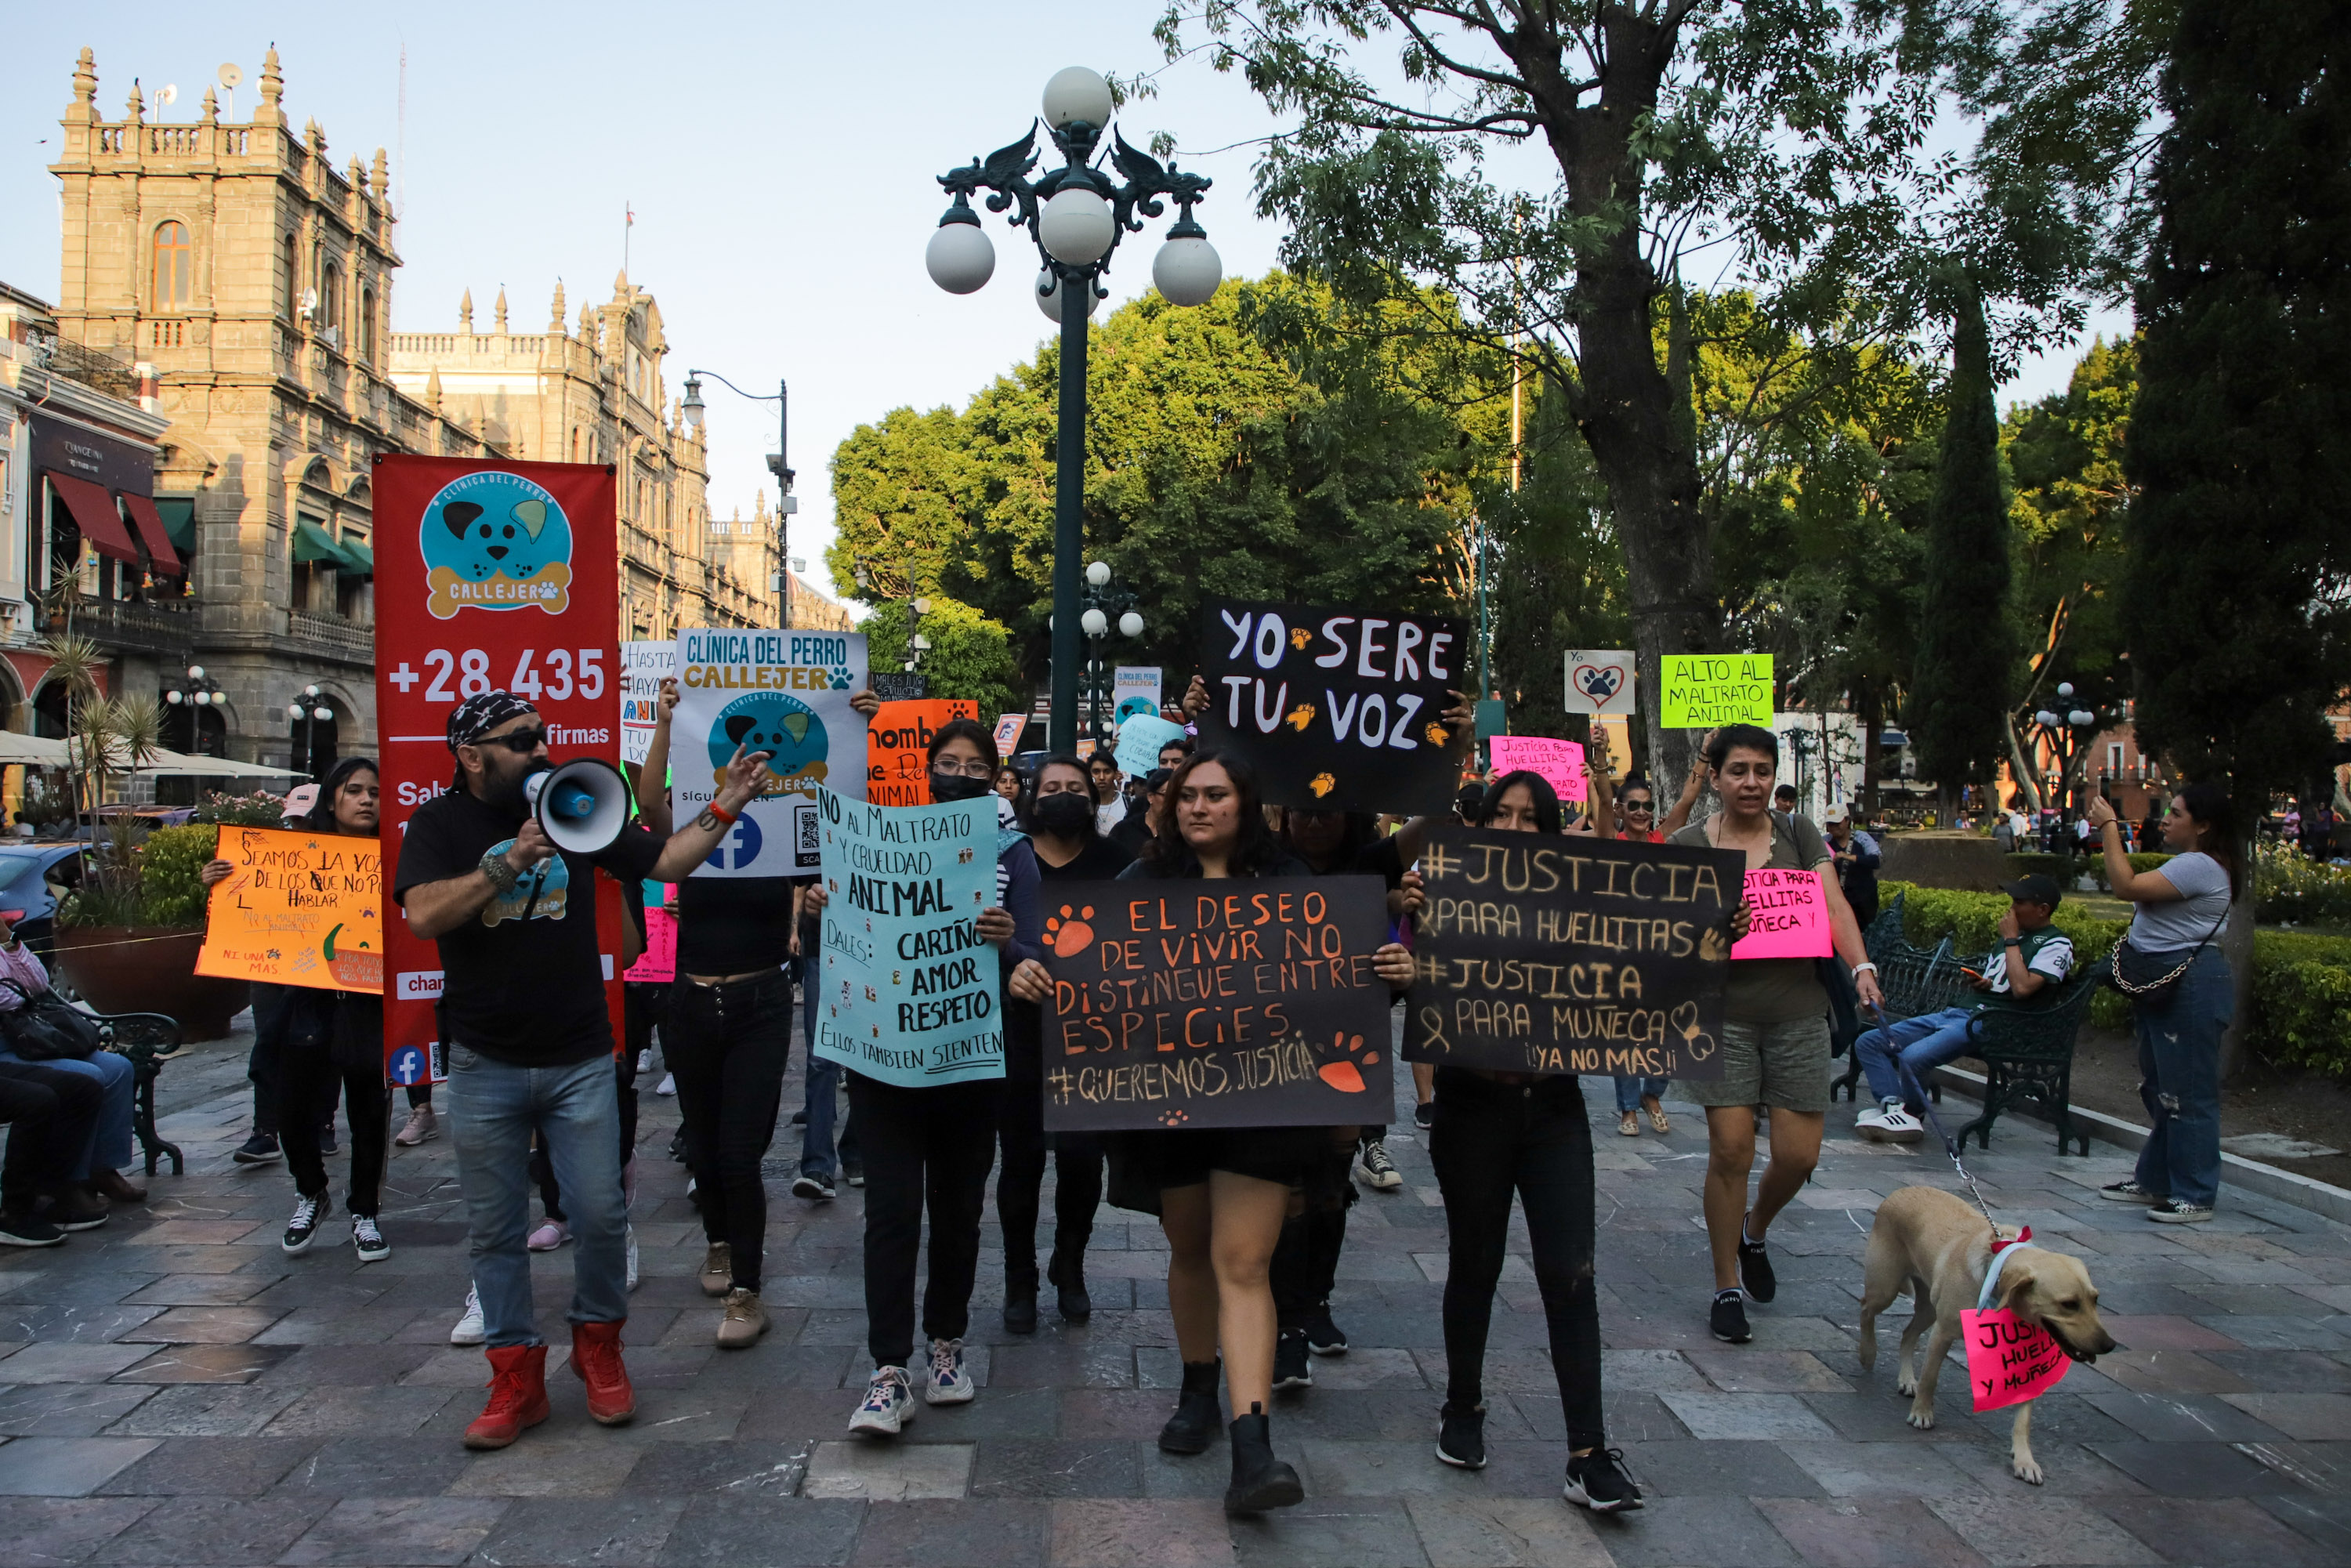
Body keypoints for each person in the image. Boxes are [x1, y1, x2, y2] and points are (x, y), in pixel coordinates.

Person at [1012, 751, 1415, 1515]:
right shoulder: (1138, 887)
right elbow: (1091, 982)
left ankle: (1253, 1441)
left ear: (1245, 803)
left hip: (1267, 1105)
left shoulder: (1292, 884)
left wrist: (1386, 971)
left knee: (1244, 1259)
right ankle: (1199, 1386)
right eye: (1188, 795)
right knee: (1192, 1248)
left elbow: (1341, 983)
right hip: (1171, 1106)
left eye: (1216, 795)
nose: (1199, 807)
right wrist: (1040, 979)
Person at [395, 690, 769, 1450]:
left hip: (578, 1059)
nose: (541, 750)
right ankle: (515, 1378)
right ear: (472, 756)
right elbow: (425, 915)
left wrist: (726, 805)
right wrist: (507, 862)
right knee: (496, 1231)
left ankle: (599, 1352)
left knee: (599, 1216)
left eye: (542, 735)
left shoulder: (573, 804)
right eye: (521, 740)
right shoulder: (441, 824)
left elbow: (662, 860)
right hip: (483, 1063)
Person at [804, 718, 1043, 1438]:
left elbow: (1036, 945)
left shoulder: (1014, 854)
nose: (961, 773)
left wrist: (1009, 944)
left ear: (995, 776)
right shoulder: (879, 838)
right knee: (892, 1212)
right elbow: (852, 930)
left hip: (972, 1057)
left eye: (976, 765)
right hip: (888, 1058)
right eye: (949, 761)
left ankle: (946, 1344)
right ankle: (887, 1367)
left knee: (959, 1208)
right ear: (927, 768)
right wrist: (820, 906)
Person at [1420, 769, 1644, 1511]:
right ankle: (1462, 1405)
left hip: (1554, 1106)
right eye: (1502, 816)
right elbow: (1401, 971)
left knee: (1571, 1273)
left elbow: (1652, 951)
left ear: (1552, 835)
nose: (1515, 830)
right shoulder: (1443, 891)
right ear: (1480, 824)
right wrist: (1405, 919)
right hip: (1470, 1105)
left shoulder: (1585, 899)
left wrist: (1714, 932)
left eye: (1531, 819)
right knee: (1474, 1261)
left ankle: (1588, 1450)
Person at [636, 677, 881, 1345]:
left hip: (760, 1002)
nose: (755, 765)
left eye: (766, 757)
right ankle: (718, 1241)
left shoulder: (793, 832)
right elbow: (649, 800)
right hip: (687, 1002)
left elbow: (861, 817)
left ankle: (747, 1290)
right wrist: (664, 724)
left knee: (741, 1153)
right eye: (741, 755)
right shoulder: (690, 826)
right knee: (707, 1149)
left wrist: (864, 730)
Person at [1667, 724, 1882, 1345]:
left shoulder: (1798, 833)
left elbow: (1834, 902)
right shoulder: (1687, 843)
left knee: (1798, 1156)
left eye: (1762, 770)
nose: (1752, 782)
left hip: (1797, 1015)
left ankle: (1754, 1230)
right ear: (1716, 776)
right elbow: (1669, 938)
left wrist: (1861, 965)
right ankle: (1725, 1283)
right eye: (1739, 770)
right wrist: (1716, 929)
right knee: (1731, 1149)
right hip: (1722, 1017)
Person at [204, 759, 393, 1263]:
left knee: (369, 1112)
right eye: (354, 790)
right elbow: (254, 907)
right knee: (292, 1109)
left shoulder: (398, 854)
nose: (367, 800)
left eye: (375, 791)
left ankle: (364, 1210)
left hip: (369, 1002)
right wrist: (219, 882)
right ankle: (311, 1192)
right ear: (332, 798)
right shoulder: (293, 853)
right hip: (306, 1000)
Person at [996, 755, 1125, 1333]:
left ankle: (1069, 1262)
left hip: (1092, 1037)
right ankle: (1018, 1276)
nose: (1065, 795)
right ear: (1032, 796)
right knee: (1020, 1160)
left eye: (1076, 787)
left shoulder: (1117, 861)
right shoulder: (1006, 856)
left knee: (1081, 1159)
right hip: (1019, 1030)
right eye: (1053, 787)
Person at [2088, 784, 2236, 1222]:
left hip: (2188, 984)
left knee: (2187, 1093)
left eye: (2176, 813)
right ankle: (2156, 1180)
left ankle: (2195, 1193)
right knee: (2160, 1088)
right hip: (2165, 983)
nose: (2165, 819)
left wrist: (2109, 826)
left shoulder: (2201, 866)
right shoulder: (2191, 863)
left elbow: (2124, 886)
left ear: (2204, 825)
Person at [1851, 873, 2075, 1141]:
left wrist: (2012, 941)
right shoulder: (2012, 939)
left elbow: (2024, 988)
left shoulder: (2056, 944)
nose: (2011, 908)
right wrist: (1986, 984)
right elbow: (2008, 982)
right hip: (1961, 1013)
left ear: (2042, 910)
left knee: (1913, 1057)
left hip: (1993, 1023)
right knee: (1870, 1042)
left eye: (2019, 902)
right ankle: (1894, 1107)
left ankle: (1911, 1114)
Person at [0, 915, 142, 1226]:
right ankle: (69, 1182)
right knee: (85, 1077)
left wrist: (9, 941)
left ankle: (101, 1168)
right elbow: (11, 996)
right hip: (7, 1046)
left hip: (32, 1034)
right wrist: (19, 994)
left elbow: (38, 983)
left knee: (117, 1067)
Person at [1824, 802, 1881, 929]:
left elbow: (1875, 861)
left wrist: (1850, 857)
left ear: (1847, 821)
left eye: (1837, 823)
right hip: (1838, 900)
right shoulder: (1824, 842)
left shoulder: (1862, 838)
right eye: (1830, 824)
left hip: (1864, 899)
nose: (1834, 828)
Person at [1108, 767, 1170, 860]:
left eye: (1179, 795)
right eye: (1166, 795)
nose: (1172, 800)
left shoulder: (1181, 833)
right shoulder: (1124, 830)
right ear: (1150, 797)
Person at [1089, 751, 1127, 835]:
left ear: (1116, 774)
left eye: (1107, 772)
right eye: (1096, 772)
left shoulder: (1128, 803)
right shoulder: (1084, 805)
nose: (1102, 777)